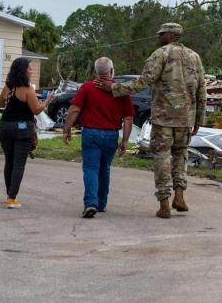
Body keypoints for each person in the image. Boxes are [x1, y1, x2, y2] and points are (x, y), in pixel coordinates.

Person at [96, 23, 206, 219]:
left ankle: (164, 202)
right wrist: (199, 118)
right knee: (181, 155)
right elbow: (201, 90)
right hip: (185, 117)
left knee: (162, 157)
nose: (158, 37)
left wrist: (114, 89)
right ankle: (179, 195)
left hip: (163, 118)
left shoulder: (160, 55)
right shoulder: (195, 57)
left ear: (171, 35)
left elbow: (143, 82)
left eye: (161, 34)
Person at [63, 57, 134, 218]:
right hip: (111, 135)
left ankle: (90, 203)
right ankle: (101, 203)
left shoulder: (87, 87)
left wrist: (66, 129)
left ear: (96, 71)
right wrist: (125, 140)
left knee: (90, 169)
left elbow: (74, 109)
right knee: (104, 169)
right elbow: (128, 118)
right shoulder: (120, 90)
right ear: (112, 70)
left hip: (91, 133)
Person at [0, 57, 54, 209]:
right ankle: (12, 198)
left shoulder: (9, 86)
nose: (32, 70)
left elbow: (0, 104)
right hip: (22, 128)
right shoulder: (28, 89)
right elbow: (36, 110)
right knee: (19, 163)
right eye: (30, 68)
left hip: (4, 126)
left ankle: (9, 194)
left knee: (9, 161)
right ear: (23, 70)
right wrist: (47, 100)